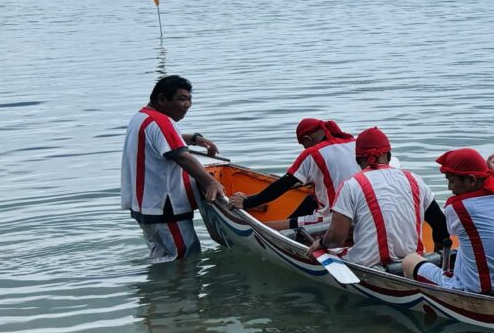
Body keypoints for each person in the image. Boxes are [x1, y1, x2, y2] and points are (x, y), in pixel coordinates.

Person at [401, 148, 494, 295]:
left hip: (480, 289)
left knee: (409, 260)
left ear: (471, 180)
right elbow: (491, 205)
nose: (449, 188)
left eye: (451, 181)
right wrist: (490, 174)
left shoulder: (457, 207)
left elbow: (452, 230)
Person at [120, 74, 226, 262]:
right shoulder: (161, 122)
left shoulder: (142, 117)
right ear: (161, 99)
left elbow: (163, 139)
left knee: (162, 257)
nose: (187, 105)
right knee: (183, 258)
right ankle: (179, 292)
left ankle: (156, 291)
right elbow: (182, 157)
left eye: (189, 99)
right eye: (181, 99)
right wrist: (210, 182)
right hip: (165, 208)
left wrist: (193, 139)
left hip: (146, 207)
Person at [324, 128, 450, 268]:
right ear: (389, 155)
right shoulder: (414, 179)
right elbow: (441, 225)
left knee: (329, 247)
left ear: (358, 160)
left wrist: (321, 243)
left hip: (368, 266)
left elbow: (335, 239)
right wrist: (438, 260)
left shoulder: (350, 185)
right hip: (414, 265)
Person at [228, 118, 358, 238]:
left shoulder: (313, 153)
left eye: (303, 144)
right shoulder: (356, 144)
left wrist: (246, 203)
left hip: (335, 220)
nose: (304, 148)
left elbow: (282, 186)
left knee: (267, 228)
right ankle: (295, 225)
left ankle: (292, 235)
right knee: (310, 200)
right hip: (363, 213)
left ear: (308, 138)